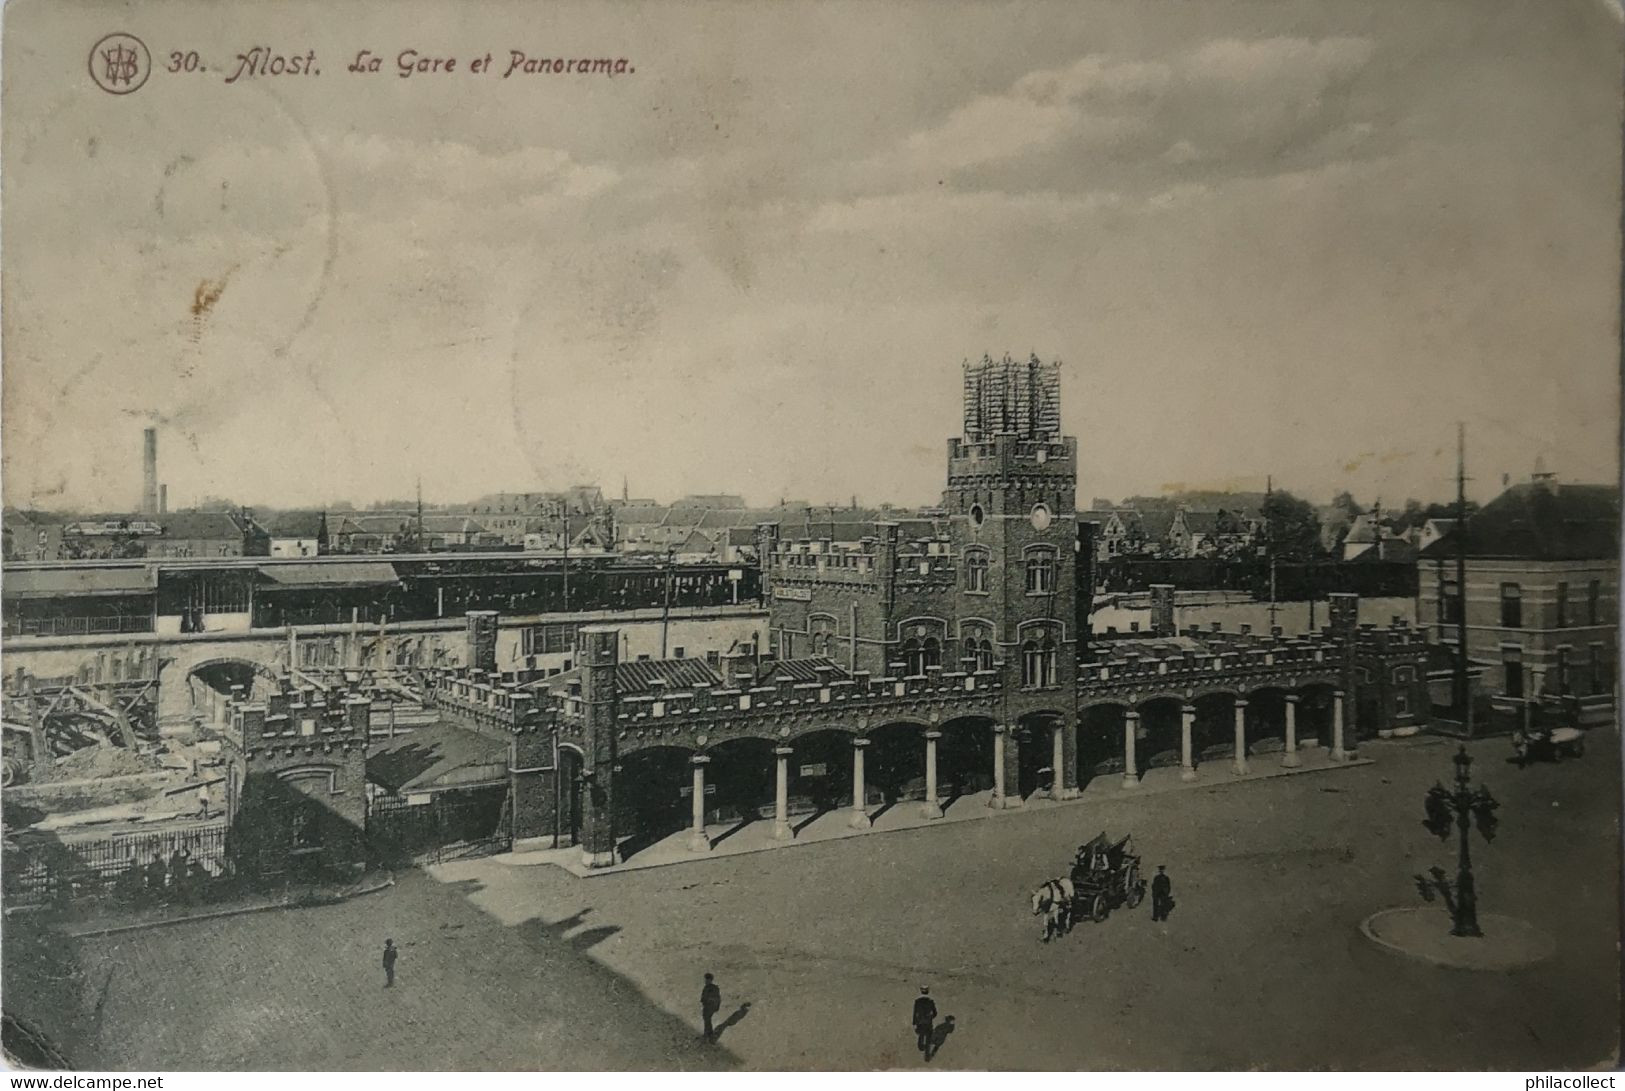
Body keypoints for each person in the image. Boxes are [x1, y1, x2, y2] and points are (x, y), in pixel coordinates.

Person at [912, 986, 937, 1059]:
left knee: (921, 1035)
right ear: (928, 991)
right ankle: (927, 1054)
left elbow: (915, 1012)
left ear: (921, 991)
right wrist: (931, 1017)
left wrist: (914, 1023)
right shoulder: (930, 1001)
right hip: (928, 1022)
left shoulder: (917, 1001)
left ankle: (920, 1046)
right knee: (928, 1037)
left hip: (920, 1022)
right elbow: (935, 1013)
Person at [700, 973, 722, 1041]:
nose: (705, 981)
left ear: (710, 980)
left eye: (707, 980)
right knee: (707, 1019)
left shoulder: (713, 988)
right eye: (705, 979)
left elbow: (717, 998)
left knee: (707, 1019)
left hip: (710, 1006)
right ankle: (709, 1033)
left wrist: (716, 1006)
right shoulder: (706, 987)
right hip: (706, 1006)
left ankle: (707, 1034)